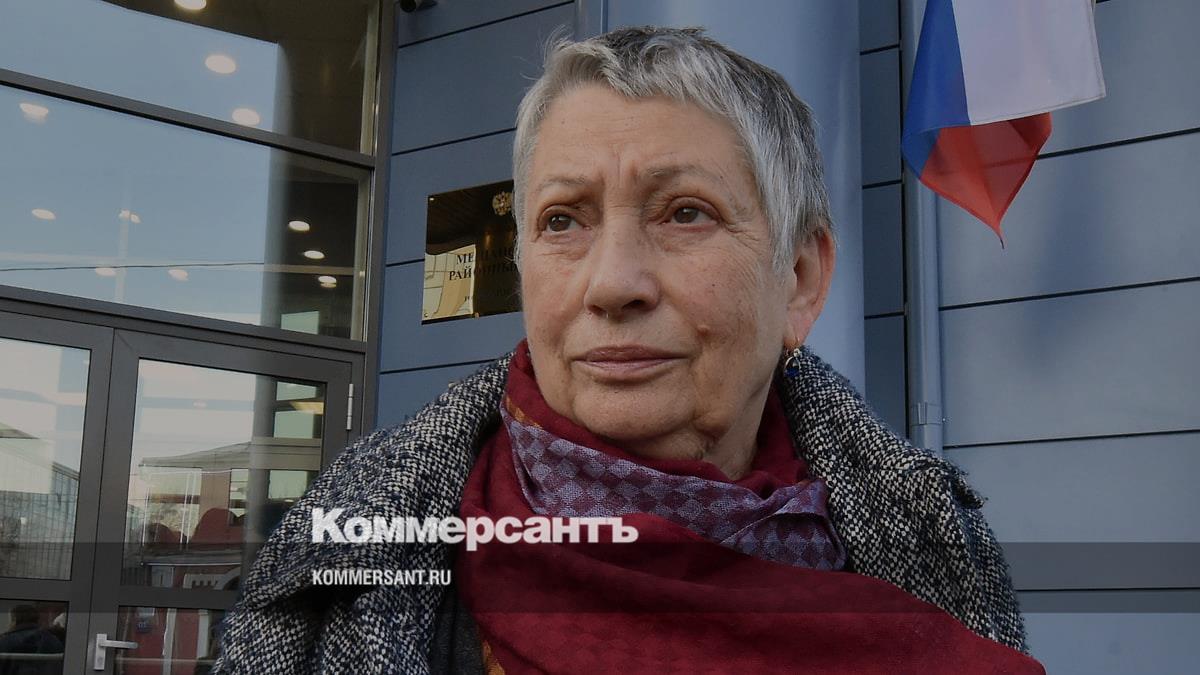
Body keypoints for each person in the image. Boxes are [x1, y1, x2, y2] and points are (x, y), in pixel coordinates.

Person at [213, 26, 1043, 674]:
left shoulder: (932, 539)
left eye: (685, 212)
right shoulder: (349, 543)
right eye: (563, 220)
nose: (612, 283)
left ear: (799, 279)